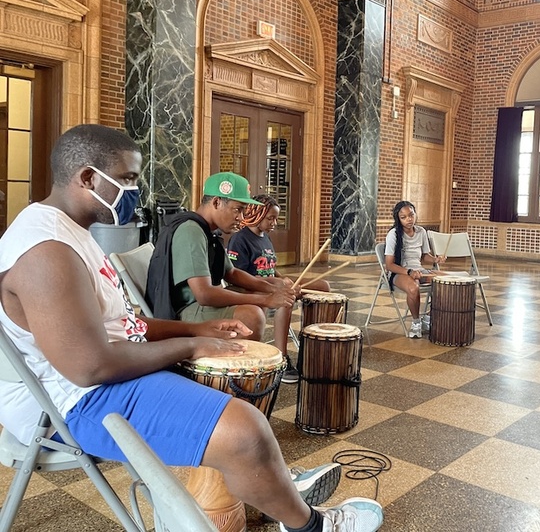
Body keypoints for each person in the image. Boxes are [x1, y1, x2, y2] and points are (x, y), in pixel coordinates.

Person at [0, 124, 383, 532]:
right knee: (247, 432)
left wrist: (201, 332)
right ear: (88, 178)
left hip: (92, 381)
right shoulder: (46, 251)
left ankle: (269, 485)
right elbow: (88, 367)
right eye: (128, 179)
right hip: (67, 405)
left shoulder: (72, 232)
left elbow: (124, 325)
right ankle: (312, 525)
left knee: (227, 387)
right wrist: (190, 346)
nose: (135, 191)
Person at [145, 171, 296, 341]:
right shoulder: (191, 231)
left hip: (197, 304)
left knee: (258, 291)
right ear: (217, 202)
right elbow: (204, 294)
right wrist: (266, 299)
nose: (241, 218)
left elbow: (232, 273)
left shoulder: (206, 231)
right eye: (237, 210)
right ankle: (239, 358)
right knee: (252, 315)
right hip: (182, 312)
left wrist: (273, 288)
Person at [226, 194, 331, 383]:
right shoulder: (239, 239)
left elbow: (270, 268)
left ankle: (313, 348)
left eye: (276, 218)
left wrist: (283, 279)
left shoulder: (265, 237)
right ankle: (282, 359)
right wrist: (277, 285)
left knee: (322, 286)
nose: (274, 223)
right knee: (286, 300)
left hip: (271, 285)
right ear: (257, 215)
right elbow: (239, 278)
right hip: (250, 290)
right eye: (270, 218)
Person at [383, 200, 445, 338]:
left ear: (415, 214)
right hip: (399, 272)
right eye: (403, 217)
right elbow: (389, 265)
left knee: (447, 281)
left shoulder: (421, 231)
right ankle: (416, 323)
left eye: (411, 215)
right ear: (398, 219)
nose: (409, 219)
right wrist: (409, 272)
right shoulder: (394, 234)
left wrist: (436, 259)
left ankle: (428, 317)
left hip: (419, 270)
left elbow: (424, 256)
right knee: (413, 287)